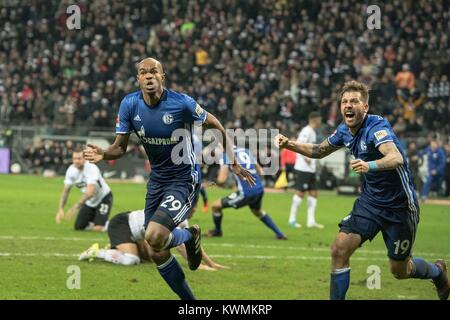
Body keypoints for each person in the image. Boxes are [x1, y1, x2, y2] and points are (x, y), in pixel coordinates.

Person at [83, 57, 254, 300]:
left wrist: (232, 161)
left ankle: (189, 236)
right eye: (143, 72)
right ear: (138, 78)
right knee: (156, 250)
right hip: (157, 181)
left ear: (162, 77)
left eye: (154, 72)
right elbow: (119, 148)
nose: (149, 76)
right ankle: (191, 300)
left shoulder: (181, 103)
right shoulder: (129, 104)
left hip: (183, 179)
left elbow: (214, 123)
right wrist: (103, 153)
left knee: (153, 235)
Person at [275, 80, 449, 300]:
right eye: (344, 101)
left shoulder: (377, 127)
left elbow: (396, 157)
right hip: (370, 203)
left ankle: (437, 272)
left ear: (365, 107)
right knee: (339, 249)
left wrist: (370, 165)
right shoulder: (344, 131)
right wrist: (288, 143)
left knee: (399, 270)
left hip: (400, 207)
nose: (348, 105)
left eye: (354, 101)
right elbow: (319, 150)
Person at [79, 209, 229, 271]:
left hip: (135, 233)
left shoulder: (181, 218)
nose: (195, 209)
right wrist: (198, 266)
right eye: (194, 206)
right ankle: (97, 252)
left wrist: (212, 264)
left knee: (149, 259)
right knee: (131, 260)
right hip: (122, 224)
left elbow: (193, 243)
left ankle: (117, 248)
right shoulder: (174, 215)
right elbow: (181, 247)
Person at [206, 147, 288, 240]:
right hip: (259, 188)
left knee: (215, 206)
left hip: (246, 192)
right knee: (257, 211)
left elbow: (222, 179)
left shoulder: (226, 156)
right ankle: (280, 234)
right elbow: (260, 170)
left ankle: (217, 231)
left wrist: (210, 182)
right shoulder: (246, 150)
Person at [55, 147, 112, 231]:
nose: (76, 161)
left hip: (103, 198)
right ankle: (96, 220)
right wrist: (60, 209)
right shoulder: (71, 171)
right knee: (79, 227)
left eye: (79, 158)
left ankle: (107, 224)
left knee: (98, 228)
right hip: (89, 201)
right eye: (74, 158)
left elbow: (90, 192)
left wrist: (75, 207)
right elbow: (66, 191)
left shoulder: (91, 168)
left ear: (85, 158)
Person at [288, 111, 324, 229]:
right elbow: (299, 145)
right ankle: (292, 219)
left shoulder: (312, 132)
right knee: (300, 193)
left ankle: (311, 221)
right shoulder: (306, 131)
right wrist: (306, 158)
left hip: (311, 169)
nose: (321, 121)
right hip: (303, 167)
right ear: (315, 119)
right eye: (319, 119)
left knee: (313, 193)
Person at [420, 138, 446, 202]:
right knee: (427, 182)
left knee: (439, 184)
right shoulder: (428, 150)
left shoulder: (440, 152)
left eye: (434, 144)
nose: (433, 145)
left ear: (437, 145)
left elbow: (442, 163)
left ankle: (440, 193)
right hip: (431, 172)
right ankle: (424, 196)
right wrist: (418, 155)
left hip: (439, 172)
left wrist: (436, 170)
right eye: (432, 143)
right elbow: (421, 153)